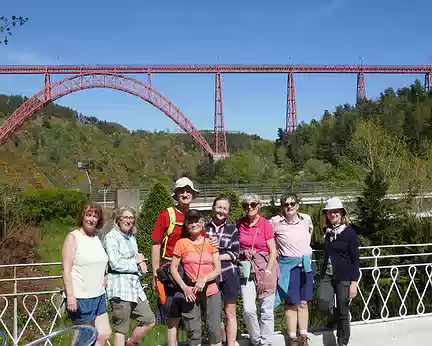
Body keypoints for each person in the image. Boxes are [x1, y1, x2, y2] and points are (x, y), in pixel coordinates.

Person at [151, 177, 199, 346]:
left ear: (193, 194)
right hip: (169, 270)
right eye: (181, 191)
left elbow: (203, 241)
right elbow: (156, 243)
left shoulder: (195, 217)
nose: (185, 194)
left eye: (188, 191)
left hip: (190, 270)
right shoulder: (167, 215)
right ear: (176, 195)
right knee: (173, 317)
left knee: (192, 315)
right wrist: (155, 274)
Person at [104, 206, 156, 346]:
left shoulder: (131, 237)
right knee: (121, 328)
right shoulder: (111, 237)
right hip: (120, 287)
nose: (128, 221)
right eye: (125, 217)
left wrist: (141, 264)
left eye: (131, 218)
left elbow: (136, 257)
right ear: (118, 219)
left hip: (135, 288)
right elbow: (115, 263)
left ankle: (131, 343)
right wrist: (135, 262)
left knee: (149, 319)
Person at [62, 202, 111, 346]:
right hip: (81, 297)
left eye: (95, 216)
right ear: (82, 217)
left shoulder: (97, 238)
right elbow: (66, 269)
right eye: (88, 215)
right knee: (83, 339)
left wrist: (105, 275)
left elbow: (100, 261)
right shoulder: (73, 237)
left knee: (104, 333)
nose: (92, 219)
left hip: (99, 295)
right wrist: (71, 296)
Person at [170, 209, 222, 346]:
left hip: (211, 290)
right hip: (191, 292)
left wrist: (204, 279)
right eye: (190, 222)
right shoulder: (182, 243)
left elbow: (218, 269)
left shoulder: (211, 243)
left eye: (197, 221)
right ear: (186, 225)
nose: (194, 224)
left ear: (203, 223)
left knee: (215, 329)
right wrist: (185, 288)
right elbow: (173, 269)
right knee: (193, 330)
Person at [271, 192, 314, 346]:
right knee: (291, 303)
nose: (289, 207)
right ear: (282, 206)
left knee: (304, 302)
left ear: (297, 205)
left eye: (292, 204)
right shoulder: (275, 222)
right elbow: (269, 240)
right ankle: (292, 338)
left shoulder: (306, 219)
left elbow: (310, 234)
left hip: (306, 265)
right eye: (286, 204)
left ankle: (303, 337)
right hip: (288, 267)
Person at [317, 197, 360, 346]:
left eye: (336, 211)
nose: (333, 214)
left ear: (342, 214)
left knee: (343, 310)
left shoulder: (350, 234)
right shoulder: (328, 233)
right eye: (330, 212)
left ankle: (342, 342)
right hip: (328, 274)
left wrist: (354, 283)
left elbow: (355, 260)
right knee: (323, 303)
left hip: (345, 276)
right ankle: (336, 319)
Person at [237, 194, 278, 346]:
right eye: (246, 205)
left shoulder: (266, 224)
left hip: (265, 267)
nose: (249, 207)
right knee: (248, 309)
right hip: (246, 269)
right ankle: (256, 340)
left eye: (253, 204)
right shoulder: (240, 224)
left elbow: (273, 251)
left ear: (259, 206)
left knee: (266, 310)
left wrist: (268, 271)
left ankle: (266, 342)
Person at [205, 196, 240, 346]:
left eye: (225, 208)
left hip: (229, 274)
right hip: (210, 275)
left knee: (230, 312)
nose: (221, 211)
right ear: (213, 208)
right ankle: (219, 341)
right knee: (214, 314)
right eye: (219, 207)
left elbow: (235, 254)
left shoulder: (232, 229)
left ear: (228, 212)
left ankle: (230, 344)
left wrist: (216, 255)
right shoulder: (204, 228)